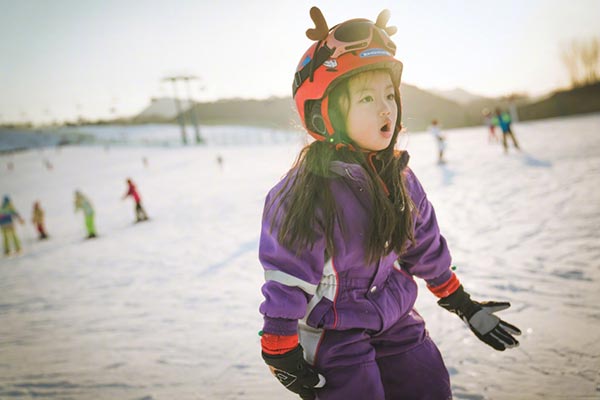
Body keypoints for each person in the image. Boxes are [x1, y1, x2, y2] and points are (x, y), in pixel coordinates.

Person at [258, 7, 522, 400]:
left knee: (429, 384)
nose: (386, 109)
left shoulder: (399, 177)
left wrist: (461, 301)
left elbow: (424, 246)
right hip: (334, 330)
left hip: (395, 314)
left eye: (389, 94)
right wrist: (280, 349)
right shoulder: (305, 191)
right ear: (324, 112)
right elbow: (287, 274)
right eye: (366, 97)